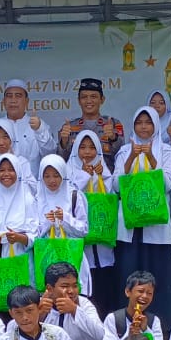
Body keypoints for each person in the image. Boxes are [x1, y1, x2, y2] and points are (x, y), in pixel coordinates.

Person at [113, 106, 171, 328]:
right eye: (139, 123)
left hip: (156, 226)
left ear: (156, 125)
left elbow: (169, 185)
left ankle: (159, 325)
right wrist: (131, 158)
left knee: (157, 274)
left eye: (148, 123)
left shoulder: (165, 150)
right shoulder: (125, 150)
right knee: (129, 274)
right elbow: (116, 186)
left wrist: (151, 158)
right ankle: (127, 324)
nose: (143, 127)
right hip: (130, 225)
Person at [64, 131, 119, 308]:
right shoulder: (68, 170)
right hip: (81, 236)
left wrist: (102, 177)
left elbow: (110, 199)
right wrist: (84, 176)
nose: (87, 152)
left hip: (102, 236)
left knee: (105, 283)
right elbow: (68, 197)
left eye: (91, 147)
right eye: (82, 147)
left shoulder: (104, 169)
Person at [39, 261, 106, 340]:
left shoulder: (84, 304)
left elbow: (99, 335)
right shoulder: (38, 305)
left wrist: (75, 310)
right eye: (65, 286)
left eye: (75, 286)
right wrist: (39, 315)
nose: (71, 291)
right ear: (50, 288)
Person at [35, 154, 92, 291]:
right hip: (47, 256)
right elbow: (33, 234)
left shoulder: (74, 196)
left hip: (71, 254)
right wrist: (48, 223)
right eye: (47, 176)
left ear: (63, 175)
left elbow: (84, 230)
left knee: (72, 292)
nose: (52, 180)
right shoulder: (37, 199)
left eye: (56, 175)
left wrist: (65, 218)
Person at [0, 79, 54, 168]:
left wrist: (39, 130)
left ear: (26, 101)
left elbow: (50, 153)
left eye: (18, 96)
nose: (13, 100)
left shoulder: (38, 125)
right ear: (3, 101)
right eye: (9, 96)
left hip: (31, 177)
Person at [0, 153, 38, 264]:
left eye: (11, 170)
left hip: (20, 260)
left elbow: (36, 235)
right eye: (1, 170)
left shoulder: (28, 201)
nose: (6, 174)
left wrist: (19, 238)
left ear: (18, 172)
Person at [101, 270, 167, 340]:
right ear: (128, 292)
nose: (144, 296)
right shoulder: (113, 318)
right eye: (140, 291)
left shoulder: (154, 321)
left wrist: (146, 331)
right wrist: (128, 336)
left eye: (149, 293)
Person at [57, 78, 122, 166]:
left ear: (102, 99)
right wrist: (64, 142)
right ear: (79, 100)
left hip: (106, 174)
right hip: (77, 174)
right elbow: (61, 161)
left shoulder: (114, 124)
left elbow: (122, 157)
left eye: (93, 97)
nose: (88, 101)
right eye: (84, 97)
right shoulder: (68, 127)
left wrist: (113, 138)